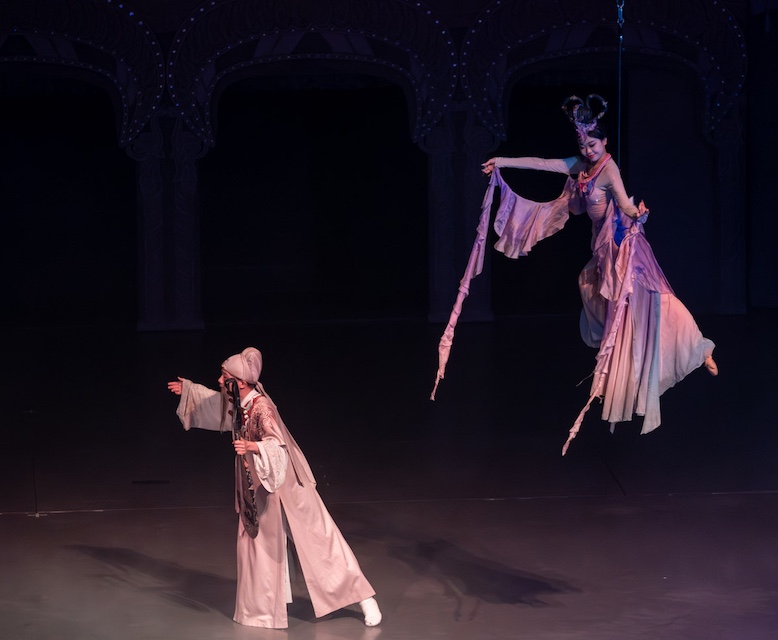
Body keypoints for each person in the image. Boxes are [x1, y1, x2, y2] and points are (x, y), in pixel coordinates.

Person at [432, 94, 717, 454]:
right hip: (602, 251)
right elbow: (541, 164)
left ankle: (699, 348)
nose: (588, 150)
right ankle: (625, 367)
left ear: (605, 142)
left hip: (623, 248)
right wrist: (500, 160)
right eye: (583, 144)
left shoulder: (609, 170)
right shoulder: (580, 166)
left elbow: (625, 205)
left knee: (657, 300)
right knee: (600, 299)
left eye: (593, 144)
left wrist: (640, 214)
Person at [167, 347, 381, 629]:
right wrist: (189, 390)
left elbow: (277, 445)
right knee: (257, 543)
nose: (219, 381)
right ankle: (263, 609)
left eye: (224, 377)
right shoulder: (240, 403)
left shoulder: (262, 407)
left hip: (286, 483)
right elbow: (217, 405)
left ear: (240, 382)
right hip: (258, 483)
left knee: (318, 539)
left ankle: (363, 597)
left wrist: (252, 446)